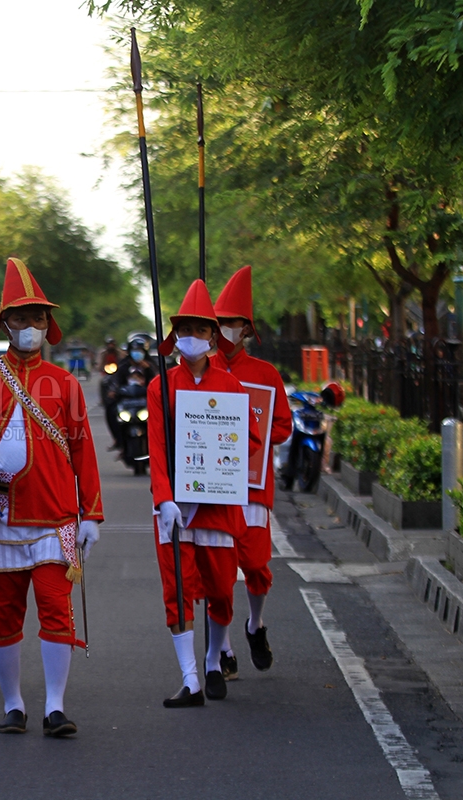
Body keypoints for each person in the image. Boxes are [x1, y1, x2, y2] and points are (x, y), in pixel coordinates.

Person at [0, 257, 103, 737]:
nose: (30, 325)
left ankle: (55, 706)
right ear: (5, 322)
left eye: (38, 317)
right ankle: (13, 704)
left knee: (56, 608)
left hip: (55, 518)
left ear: (48, 324)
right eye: (21, 317)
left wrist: (91, 513)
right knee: (3, 616)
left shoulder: (67, 384)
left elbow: (83, 452)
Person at [146, 280, 261, 707]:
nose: (192, 336)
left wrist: (220, 462)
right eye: (184, 328)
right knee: (177, 591)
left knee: (220, 590)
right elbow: (155, 445)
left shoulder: (231, 388)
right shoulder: (161, 385)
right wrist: (164, 497)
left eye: (200, 328)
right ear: (175, 335)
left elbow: (249, 437)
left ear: (213, 336)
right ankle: (190, 677)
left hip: (216, 506)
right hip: (174, 507)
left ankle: (213, 660)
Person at [210, 266, 293, 678]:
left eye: (233, 323)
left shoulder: (265, 375)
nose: (226, 330)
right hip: (211, 488)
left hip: (253, 488)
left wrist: (255, 435)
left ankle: (254, 625)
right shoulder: (198, 373)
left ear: (246, 328)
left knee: (257, 567)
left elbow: (284, 426)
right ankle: (221, 648)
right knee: (219, 571)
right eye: (220, 323)